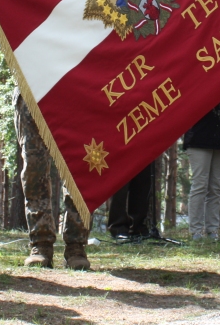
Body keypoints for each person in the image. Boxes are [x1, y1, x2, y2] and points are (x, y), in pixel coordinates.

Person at [14, 96, 90, 269]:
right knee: (34, 168)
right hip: (32, 88)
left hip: (76, 89)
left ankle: (76, 246)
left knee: (80, 164)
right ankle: (40, 244)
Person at [183, 87, 220, 240]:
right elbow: (194, 107)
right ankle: (195, 231)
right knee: (200, 184)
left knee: (216, 186)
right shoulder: (199, 81)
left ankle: (212, 230)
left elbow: (217, 113)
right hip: (198, 137)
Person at [107, 162, 154, 240]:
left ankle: (138, 228)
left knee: (142, 181)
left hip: (143, 150)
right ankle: (118, 228)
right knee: (120, 183)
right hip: (120, 151)